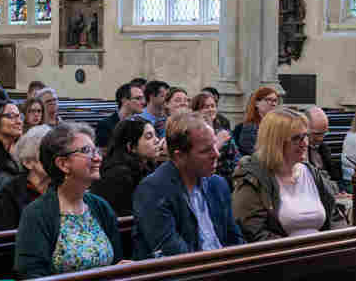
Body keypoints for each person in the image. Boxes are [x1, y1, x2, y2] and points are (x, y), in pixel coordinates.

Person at [14, 123, 125, 278]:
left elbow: (116, 262)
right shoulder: (36, 214)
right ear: (63, 164)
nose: (98, 158)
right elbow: (31, 275)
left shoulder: (100, 207)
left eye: (96, 151)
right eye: (87, 151)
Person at [131, 111, 244, 258]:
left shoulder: (217, 184)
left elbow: (235, 240)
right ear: (179, 156)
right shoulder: (153, 190)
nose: (216, 154)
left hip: (224, 270)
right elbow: (172, 254)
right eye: (205, 151)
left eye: (215, 146)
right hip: (186, 276)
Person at [232, 108, 347, 241]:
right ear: (275, 142)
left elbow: (335, 217)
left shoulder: (311, 173)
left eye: (305, 136)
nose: (305, 143)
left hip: (323, 253)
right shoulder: (253, 178)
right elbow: (254, 232)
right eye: (296, 138)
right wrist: (299, 251)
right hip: (281, 256)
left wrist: (340, 241)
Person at [90, 117, 163, 216]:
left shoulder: (146, 166)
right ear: (131, 147)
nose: (157, 140)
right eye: (149, 137)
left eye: (156, 135)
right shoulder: (117, 175)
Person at [0, 125, 55, 232]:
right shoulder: (10, 195)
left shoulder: (63, 187)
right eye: (46, 153)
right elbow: (2, 241)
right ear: (28, 162)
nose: (55, 158)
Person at [194, 92, 239, 178]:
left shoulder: (222, 130)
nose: (211, 109)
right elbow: (198, 159)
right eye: (206, 107)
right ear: (197, 110)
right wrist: (219, 142)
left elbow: (236, 155)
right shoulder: (193, 131)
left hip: (228, 177)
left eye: (213, 106)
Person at [303, 106, 344, 189]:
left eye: (324, 133)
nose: (321, 138)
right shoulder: (298, 150)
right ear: (305, 128)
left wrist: (340, 190)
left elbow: (335, 176)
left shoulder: (324, 148)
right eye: (317, 134)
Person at [233, 87, 279, 157]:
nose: (273, 104)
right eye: (268, 100)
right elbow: (251, 151)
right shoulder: (250, 127)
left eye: (275, 101)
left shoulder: (278, 124)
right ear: (257, 103)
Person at [96, 83, 145, 147]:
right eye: (138, 98)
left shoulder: (142, 123)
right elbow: (105, 152)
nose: (143, 102)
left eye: (143, 98)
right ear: (124, 100)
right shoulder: (105, 126)